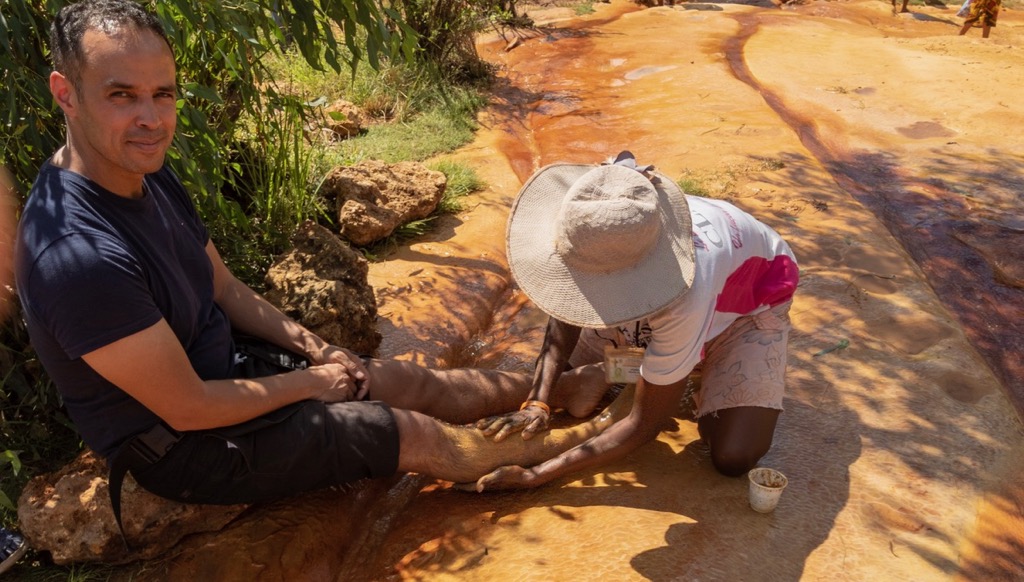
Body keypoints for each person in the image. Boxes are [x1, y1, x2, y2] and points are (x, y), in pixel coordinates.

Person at [14, 0, 609, 539]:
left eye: (162, 93)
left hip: (230, 373)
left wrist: (318, 349)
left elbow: (221, 285)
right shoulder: (75, 255)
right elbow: (187, 407)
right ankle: (594, 439)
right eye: (122, 95)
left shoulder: (142, 166)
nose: (151, 117)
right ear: (66, 92)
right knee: (415, 434)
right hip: (186, 448)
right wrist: (308, 385)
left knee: (406, 381)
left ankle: (559, 388)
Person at [471, 152, 799, 491]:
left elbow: (643, 426)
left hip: (746, 307)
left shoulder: (685, 292)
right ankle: (650, 368)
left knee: (733, 456)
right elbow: (567, 304)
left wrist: (536, 476)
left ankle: (695, 364)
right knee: (562, 375)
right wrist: (537, 402)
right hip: (680, 298)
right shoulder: (596, 224)